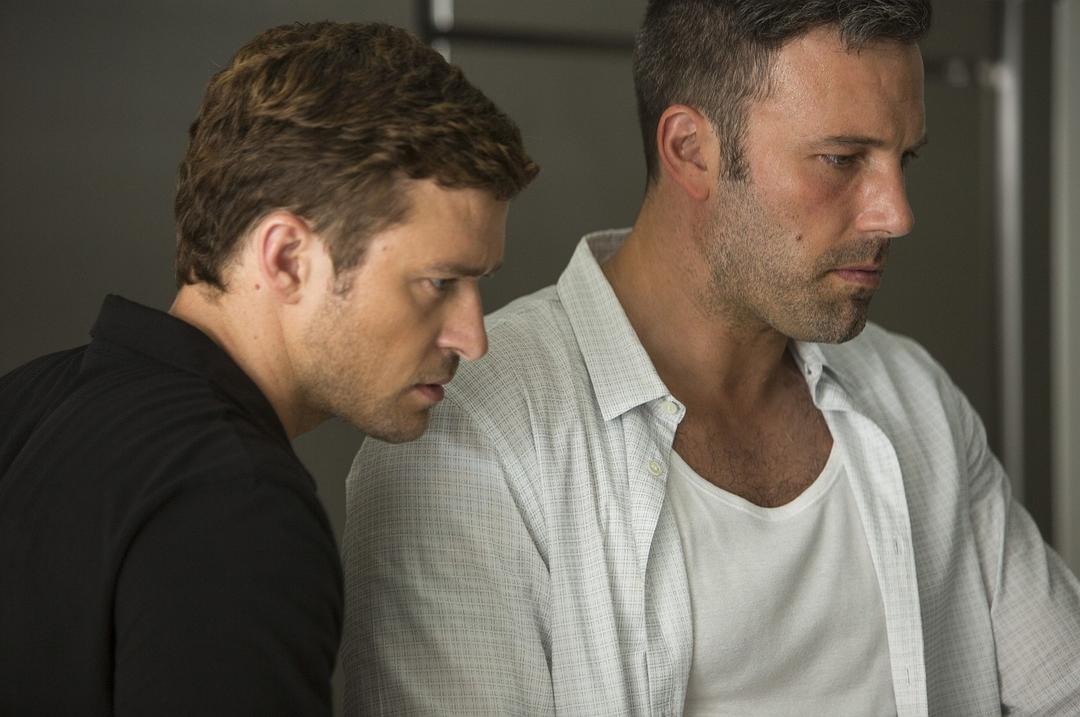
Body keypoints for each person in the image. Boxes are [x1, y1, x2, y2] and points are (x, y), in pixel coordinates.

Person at [342, 1, 1080, 715]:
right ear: (691, 150)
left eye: (903, 158)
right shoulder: (472, 435)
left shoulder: (915, 395)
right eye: (842, 159)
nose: (897, 212)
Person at [0, 21, 536, 716]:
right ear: (287, 258)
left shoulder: (24, 403)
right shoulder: (237, 507)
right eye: (439, 282)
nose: (473, 338)